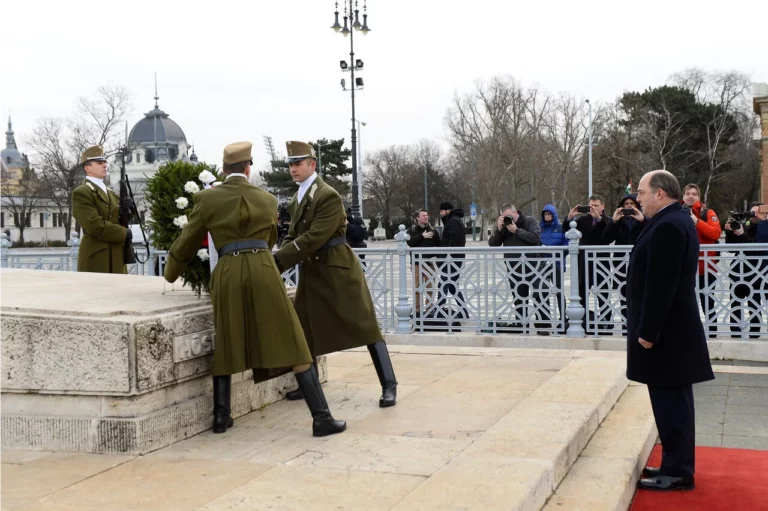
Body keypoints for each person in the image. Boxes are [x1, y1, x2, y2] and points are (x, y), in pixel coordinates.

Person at [164, 141, 346, 437]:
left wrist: (171, 273)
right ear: (248, 169)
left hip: (228, 271)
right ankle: (321, 417)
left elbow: (187, 240)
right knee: (293, 338)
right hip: (263, 269)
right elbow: (273, 237)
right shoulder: (267, 199)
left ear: (224, 170)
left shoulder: (207, 199)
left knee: (228, 337)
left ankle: (221, 417)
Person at [275, 141, 397, 408]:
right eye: (291, 164)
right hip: (313, 270)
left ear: (312, 165)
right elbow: (294, 235)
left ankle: (389, 384)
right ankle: (309, 384)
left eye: (298, 164)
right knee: (304, 328)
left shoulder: (326, 195)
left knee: (366, 327)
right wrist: (276, 257)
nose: (293, 169)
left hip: (337, 268)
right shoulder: (299, 197)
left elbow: (315, 236)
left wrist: (277, 262)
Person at [630, 170, 714, 492]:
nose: (638, 198)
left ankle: (677, 470)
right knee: (674, 401)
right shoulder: (675, 220)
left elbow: (661, 285)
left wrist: (648, 331)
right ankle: (674, 463)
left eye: (641, 192)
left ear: (660, 194)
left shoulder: (669, 225)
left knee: (672, 404)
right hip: (674, 331)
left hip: (666, 333)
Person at [71, 146, 133, 274]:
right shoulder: (82, 192)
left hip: (116, 254)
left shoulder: (110, 192)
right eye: (99, 163)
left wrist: (128, 212)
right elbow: (94, 225)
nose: (105, 165)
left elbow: (117, 220)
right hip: (96, 255)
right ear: (87, 168)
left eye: (105, 162)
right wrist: (123, 233)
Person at [488, 204, 542, 332]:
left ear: (515, 212)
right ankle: (521, 325)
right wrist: (499, 229)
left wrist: (516, 230)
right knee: (518, 297)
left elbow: (535, 238)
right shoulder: (505, 228)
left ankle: (543, 325)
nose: (507, 220)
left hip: (533, 265)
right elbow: (493, 244)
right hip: (514, 267)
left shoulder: (530, 221)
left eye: (509, 217)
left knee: (539, 294)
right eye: (504, 217)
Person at [565, 195, 613, 333]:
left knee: (603, 294)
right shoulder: (583, 220)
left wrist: (598, 218)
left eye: (596, 205)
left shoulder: (607, 220)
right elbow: (566, 229)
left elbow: (610, 232)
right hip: (584, 262)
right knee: (582, 293)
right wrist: (570, 216)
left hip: (601, 262)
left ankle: (607, 323)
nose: (593, 208)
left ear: (602, 206)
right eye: (591, 205)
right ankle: (583, 321)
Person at [681, 184, 722, 337]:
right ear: (683, 196)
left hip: (706, 268)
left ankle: (711, 334)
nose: (690, 196)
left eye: (694, 194)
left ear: (699, 197)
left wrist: (697, 221)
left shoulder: (707, 212)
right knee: (685, 304)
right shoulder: (677, 211)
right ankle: (688, 335)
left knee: (707, 303)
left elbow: (716, 233)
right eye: (687, 193)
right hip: (685, 268)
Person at [724, 203, 768, 338]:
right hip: (739, 271)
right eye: (752, 213)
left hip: (758, 272)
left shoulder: (764, 228)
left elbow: (757, 247)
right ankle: (735, 332)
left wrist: (742, 234)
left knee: (754, 303)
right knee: (735, 302)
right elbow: (731, 248)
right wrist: (730, 232)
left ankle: (755, 332)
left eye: (757, 213)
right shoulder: (745, 226)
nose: (754, 216)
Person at [602, 194, 646, 326]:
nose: (629, 206)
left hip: (639, 262)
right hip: (621, 264)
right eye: (626, 204)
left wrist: (642, 220)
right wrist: (614, 221)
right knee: (623, 294)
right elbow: (606, 238)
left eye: (632, 204)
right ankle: (626, 324)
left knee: (640, 294)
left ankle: (639, 324)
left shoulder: (643, 220)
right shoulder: (619, 222)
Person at [431, 201, 468, 325]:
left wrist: (446, 256)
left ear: (448, 211)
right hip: (455, 259)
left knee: (444, 285)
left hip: (451, 260)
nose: (440, 214)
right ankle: (464, 311)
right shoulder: (454, 220)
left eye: (442, 211)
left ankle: (438, 310)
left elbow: (453, 241)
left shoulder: (452, 222)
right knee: (452, 286)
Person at [539, 204, 569, 333]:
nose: (547, 217)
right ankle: (544, 320)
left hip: (556, 263)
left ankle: (563, 318)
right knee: (542, 291)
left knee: (558, 292)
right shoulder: (540, 228)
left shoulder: (560, 228)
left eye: (549, 214)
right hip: (543, 264)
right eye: (545, 215)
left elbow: (567, 245)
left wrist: (557, 253)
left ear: (554, 215)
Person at [406, 209, 440, 316]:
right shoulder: (411, 230)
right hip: (417, 263)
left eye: (427, 215)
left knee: (430, 287)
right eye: (423, 215)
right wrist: (422, 236)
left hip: (430, 263)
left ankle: (429, 309)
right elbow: (410, 242)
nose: (426, 217)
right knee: (417, 287)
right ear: (417, 218)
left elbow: (439, 245)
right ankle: (417, 310)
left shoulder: (433, 230)